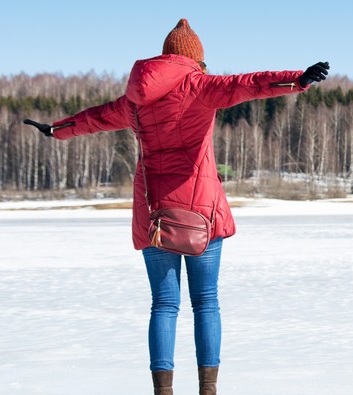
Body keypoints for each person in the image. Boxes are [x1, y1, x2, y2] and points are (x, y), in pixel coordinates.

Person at [24, 18, 329, 395]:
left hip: (154, 215)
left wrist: (57, 129)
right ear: (195, 59)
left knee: (164, 304)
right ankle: (208, 389)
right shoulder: (201, 86)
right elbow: (248, 84)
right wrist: (296, 79)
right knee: (206, 303)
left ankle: (163, 391)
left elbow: (97, 118)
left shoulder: (136, 99)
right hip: (202, 211)